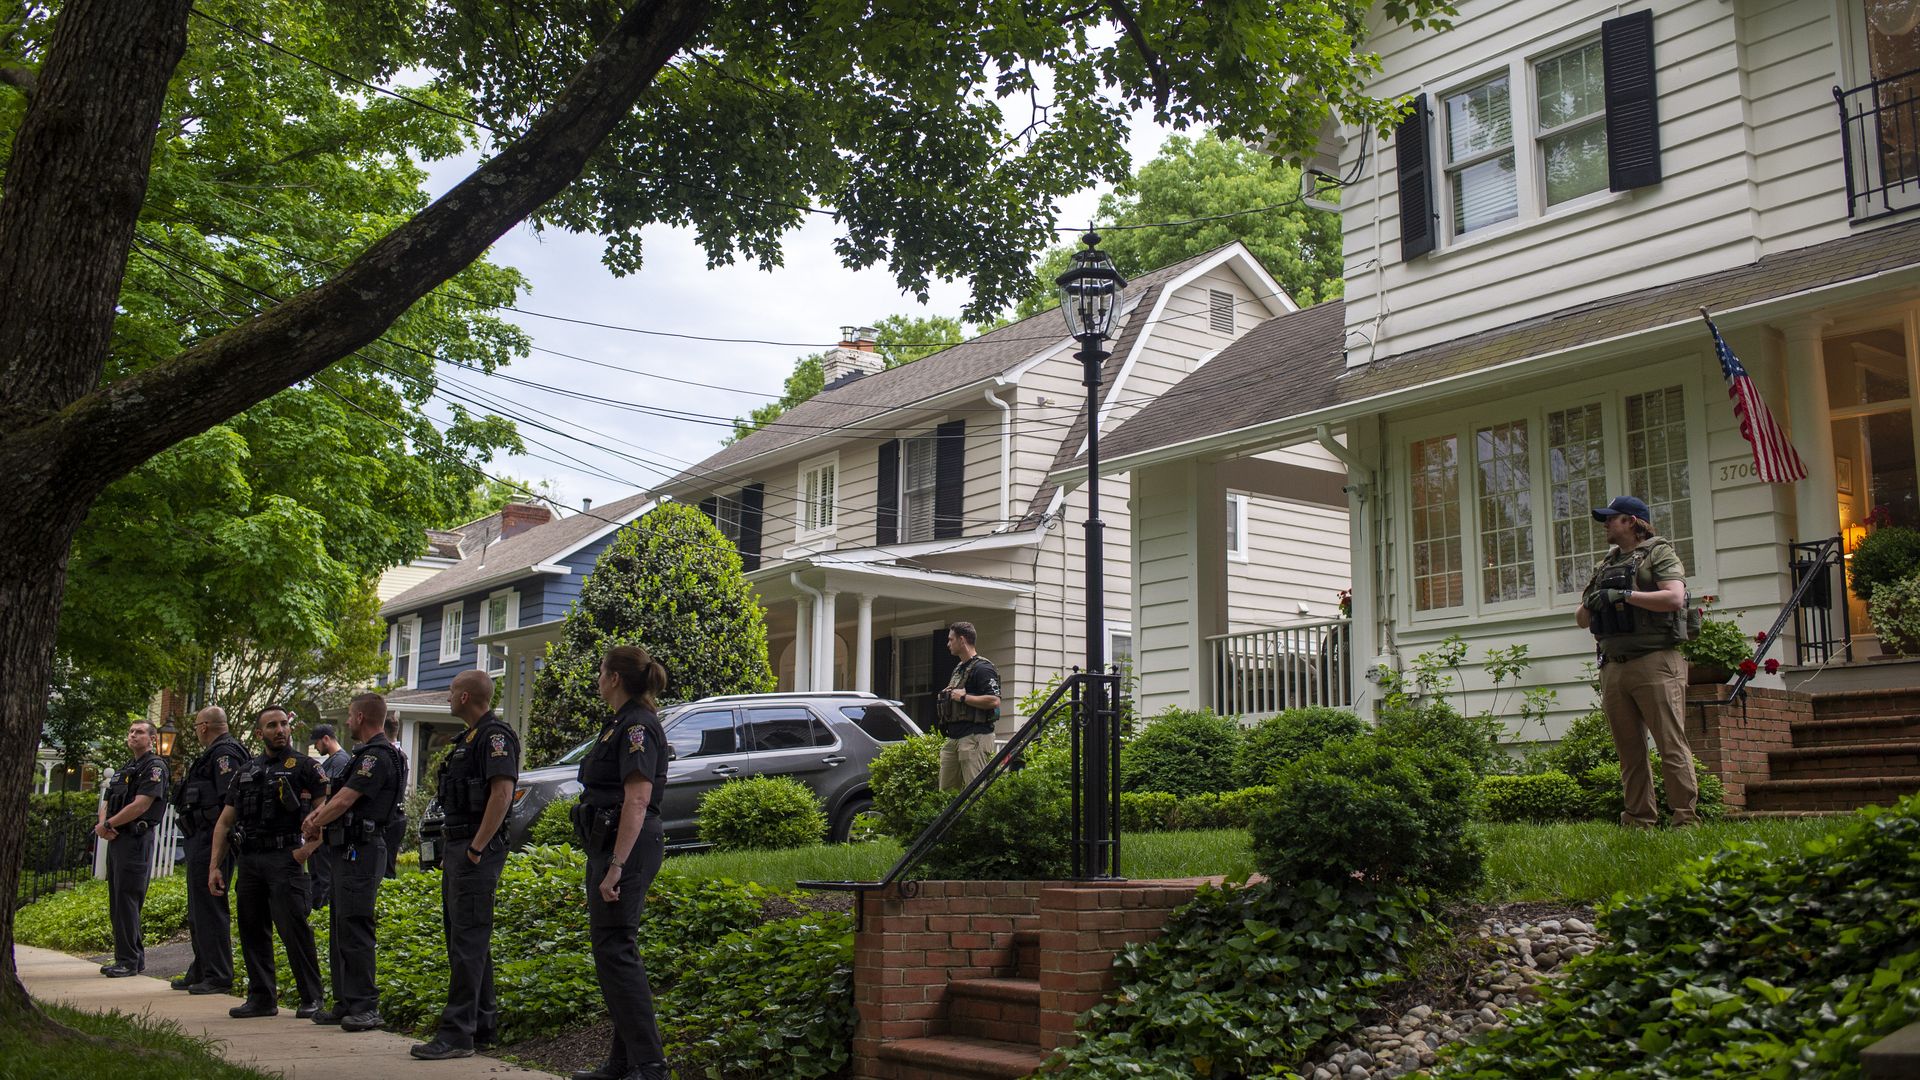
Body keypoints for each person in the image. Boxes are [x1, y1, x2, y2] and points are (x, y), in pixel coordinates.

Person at [569, 645, 671, 1080]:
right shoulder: (619, 724)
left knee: (616, 951)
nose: (596, 677)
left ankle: (650, 1067)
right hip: (609, 843)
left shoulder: (637, 727)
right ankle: (623, 1064)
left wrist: (616, 866)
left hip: (625, 847)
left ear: (614, 678)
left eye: (600, 670)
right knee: (612, 952)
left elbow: (638, 798)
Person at [411, 671, 521, 1061]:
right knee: (466, 939)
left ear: (465, 697)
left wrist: (477, 847)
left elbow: (503, 793)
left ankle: (456, 1035)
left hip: (476, 849)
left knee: (467, 943)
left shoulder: (494, 736)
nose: (448, 698)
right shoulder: (469, 739)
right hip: (459, 848)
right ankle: (482, 1024)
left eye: (453, 692)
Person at [1577, 495, 1700, 828]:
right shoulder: (1605, 564)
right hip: (1614, 665)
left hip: (1655, 661)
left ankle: (1685, 820)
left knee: (1670, 745)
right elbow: (1581, 618)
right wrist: (1594, 599)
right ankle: (1638, 820)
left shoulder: (1659, 553)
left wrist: (1625, 595)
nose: (1605, 523)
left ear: (1631, 521)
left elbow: (1674, 597)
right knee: (1629, 752)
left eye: (1611, 518)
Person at [209, 705, 329, 1019]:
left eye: (283, 724)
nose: (280, 730)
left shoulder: (307, 767)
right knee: (252, 929)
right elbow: (224, 822)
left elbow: (326, 814)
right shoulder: (246, 770)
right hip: (249, 859)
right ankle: (261, 998)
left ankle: (311, 997)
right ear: (259, 733)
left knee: (294, 930)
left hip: (285, 857)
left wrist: (304, 853)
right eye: (272, 726)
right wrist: (214, 868)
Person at [302, 692, 405, 1031]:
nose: (346, 722)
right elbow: (335, 796)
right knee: (341, 926)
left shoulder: (376, 756)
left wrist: (315, 821)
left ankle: (366, 1006)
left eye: (349, 715)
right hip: (346, 851)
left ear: (361, 717)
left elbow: (347, 798)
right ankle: (346, 1000)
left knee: (356, 926)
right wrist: (319, 814)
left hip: (362, 849)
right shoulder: (361, 756)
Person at [170, 706, 249, 994]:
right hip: (200, 838)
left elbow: (228, 804)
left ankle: (218, 974)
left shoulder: (225, 755)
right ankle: (202, 968)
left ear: (204, 727)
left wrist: (218, 846)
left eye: (195, 726)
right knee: (198, 910)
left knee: (210, 907)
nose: (195, 730)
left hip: (212, 840)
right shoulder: (215, 753)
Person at [96, 720, 170, 978]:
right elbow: (107, 800)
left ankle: (129, 961)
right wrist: (104, 824)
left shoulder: (155, 767)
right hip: (117, 838)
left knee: (128, 898)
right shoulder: (125, 768)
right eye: (130, 732)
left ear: (152, 738)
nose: (133, 736)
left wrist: (109, 823)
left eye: (139, 732)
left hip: (136, 840)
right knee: (117, 899)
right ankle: (126, 958)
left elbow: (141, 804)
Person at [935, 621, 1002, 792]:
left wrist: (964, 697)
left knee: (975, 794)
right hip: (954, 738)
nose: (948, 643)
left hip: (975, 737)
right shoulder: (959, 669)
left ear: (962, 640)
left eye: (951, 639)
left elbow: (994, 701)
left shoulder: (983, 668)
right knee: (946, 793)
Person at [309, 722, 352, 910]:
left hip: (328, 825)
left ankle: (323, 905)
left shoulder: (340, 761)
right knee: (317, 871)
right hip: (321, 823)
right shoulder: (331, 761)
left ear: (326, 739)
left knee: (324, 872)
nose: (316, 748)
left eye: (316, 743)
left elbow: (332, 796)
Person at [382, 713, 409, 879]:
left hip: (390, 817)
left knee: (385, 866)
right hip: (398, 815)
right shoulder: (402, 755)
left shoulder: (389, 755)